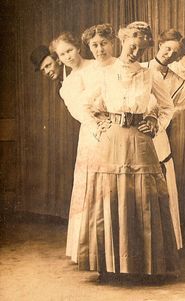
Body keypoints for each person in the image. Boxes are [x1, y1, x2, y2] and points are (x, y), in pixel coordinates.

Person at [76, 22, 179, 282]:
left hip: (141, 141)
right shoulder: (106, 74)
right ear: (122, 40)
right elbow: (84, 104)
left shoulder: (149, 74)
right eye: (132, 45)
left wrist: (155, 122)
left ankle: (145, 267)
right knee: (109, 198)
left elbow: (168, 107)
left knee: (143, 200)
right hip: (111, 141)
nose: (135, 52)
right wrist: (98, 126)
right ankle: (108, 267)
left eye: (141, 48)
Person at [50, 25, 117, 264]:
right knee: (92, 186)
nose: (67, 57)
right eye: (62, 55)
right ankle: (92, 249)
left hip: (114, 124)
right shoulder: (67, 84)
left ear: (78, 47)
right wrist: (98, 125)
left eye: (69, 50)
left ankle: (116, 246)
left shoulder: (98, 65)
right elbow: (80, 112)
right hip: (92, 132)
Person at [142, 29, 185, 250]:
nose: (169, 54)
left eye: (174, 53)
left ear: (178, 57)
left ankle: (163, 244)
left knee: (161, 183)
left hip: (158, 134)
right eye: (166, 48)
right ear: (159, 45)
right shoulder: (142, 69)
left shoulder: (178, 81)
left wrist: (156, 125)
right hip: (134, 131)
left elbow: (169, 111)